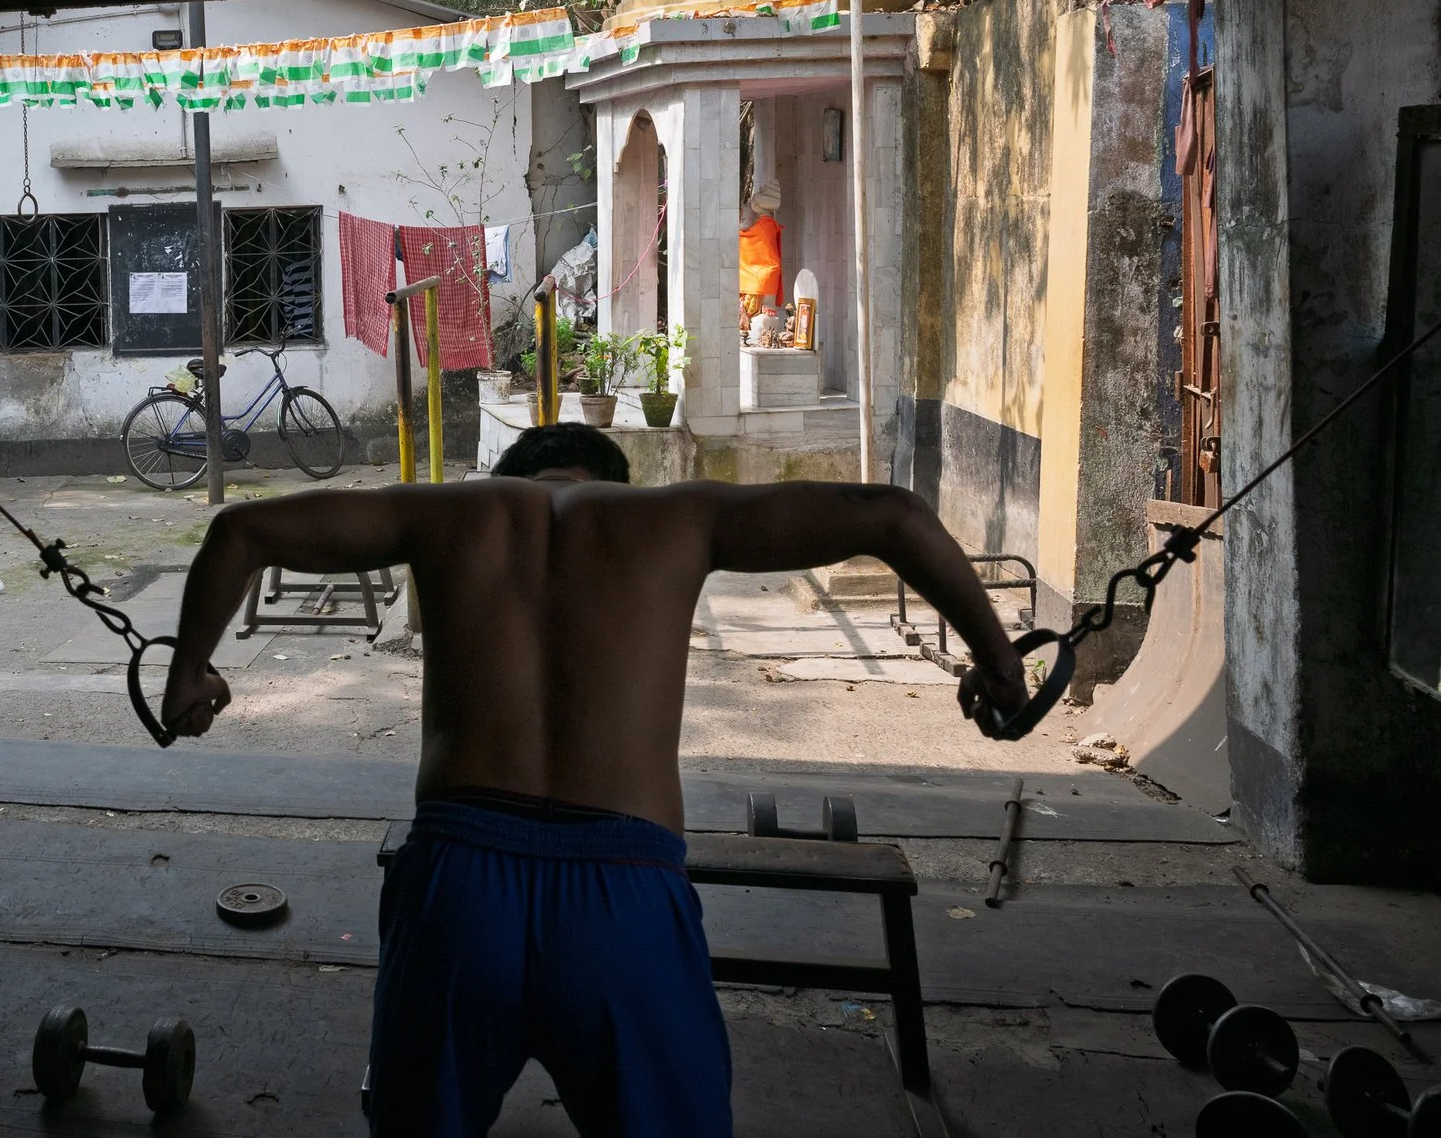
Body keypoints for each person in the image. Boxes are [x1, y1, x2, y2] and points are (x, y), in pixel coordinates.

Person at [160, 425, 1028, 1138]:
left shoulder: (445, 511)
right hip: (625, 896)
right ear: (613, 480)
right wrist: (1000, 665)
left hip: (460, 888)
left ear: (511, 475)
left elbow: (240, 531)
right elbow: (893, 515)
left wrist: (188, 672)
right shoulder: (676, 515)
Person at [738, 182, 785, 341]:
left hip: (766, 270)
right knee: (764, 312)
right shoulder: (766, 224)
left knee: (765, 314)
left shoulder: (766, 225)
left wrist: (738, 233)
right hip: (765, 270)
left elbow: (749, 240)